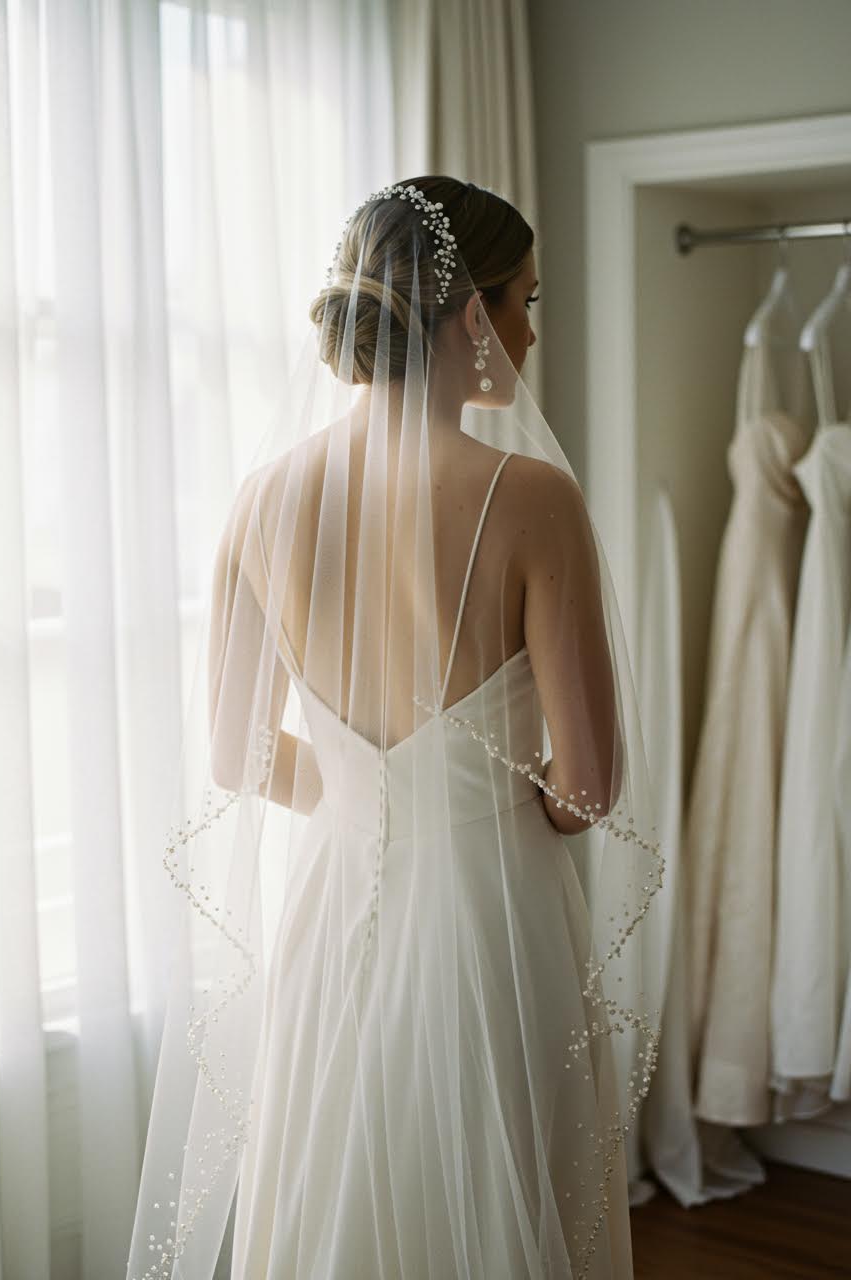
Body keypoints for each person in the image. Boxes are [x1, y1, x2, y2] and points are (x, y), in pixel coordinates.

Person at [127, 177, 664, 1280]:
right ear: (471, 314)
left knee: (343, 1183)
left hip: (335, 911)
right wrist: (463, 799)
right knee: (504, 1186)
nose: (528, 326)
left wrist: (370, 793)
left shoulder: (261, 499)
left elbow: (231, 752)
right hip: (493, 913)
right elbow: (589, 785)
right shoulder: (531, 499)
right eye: (525, 297)